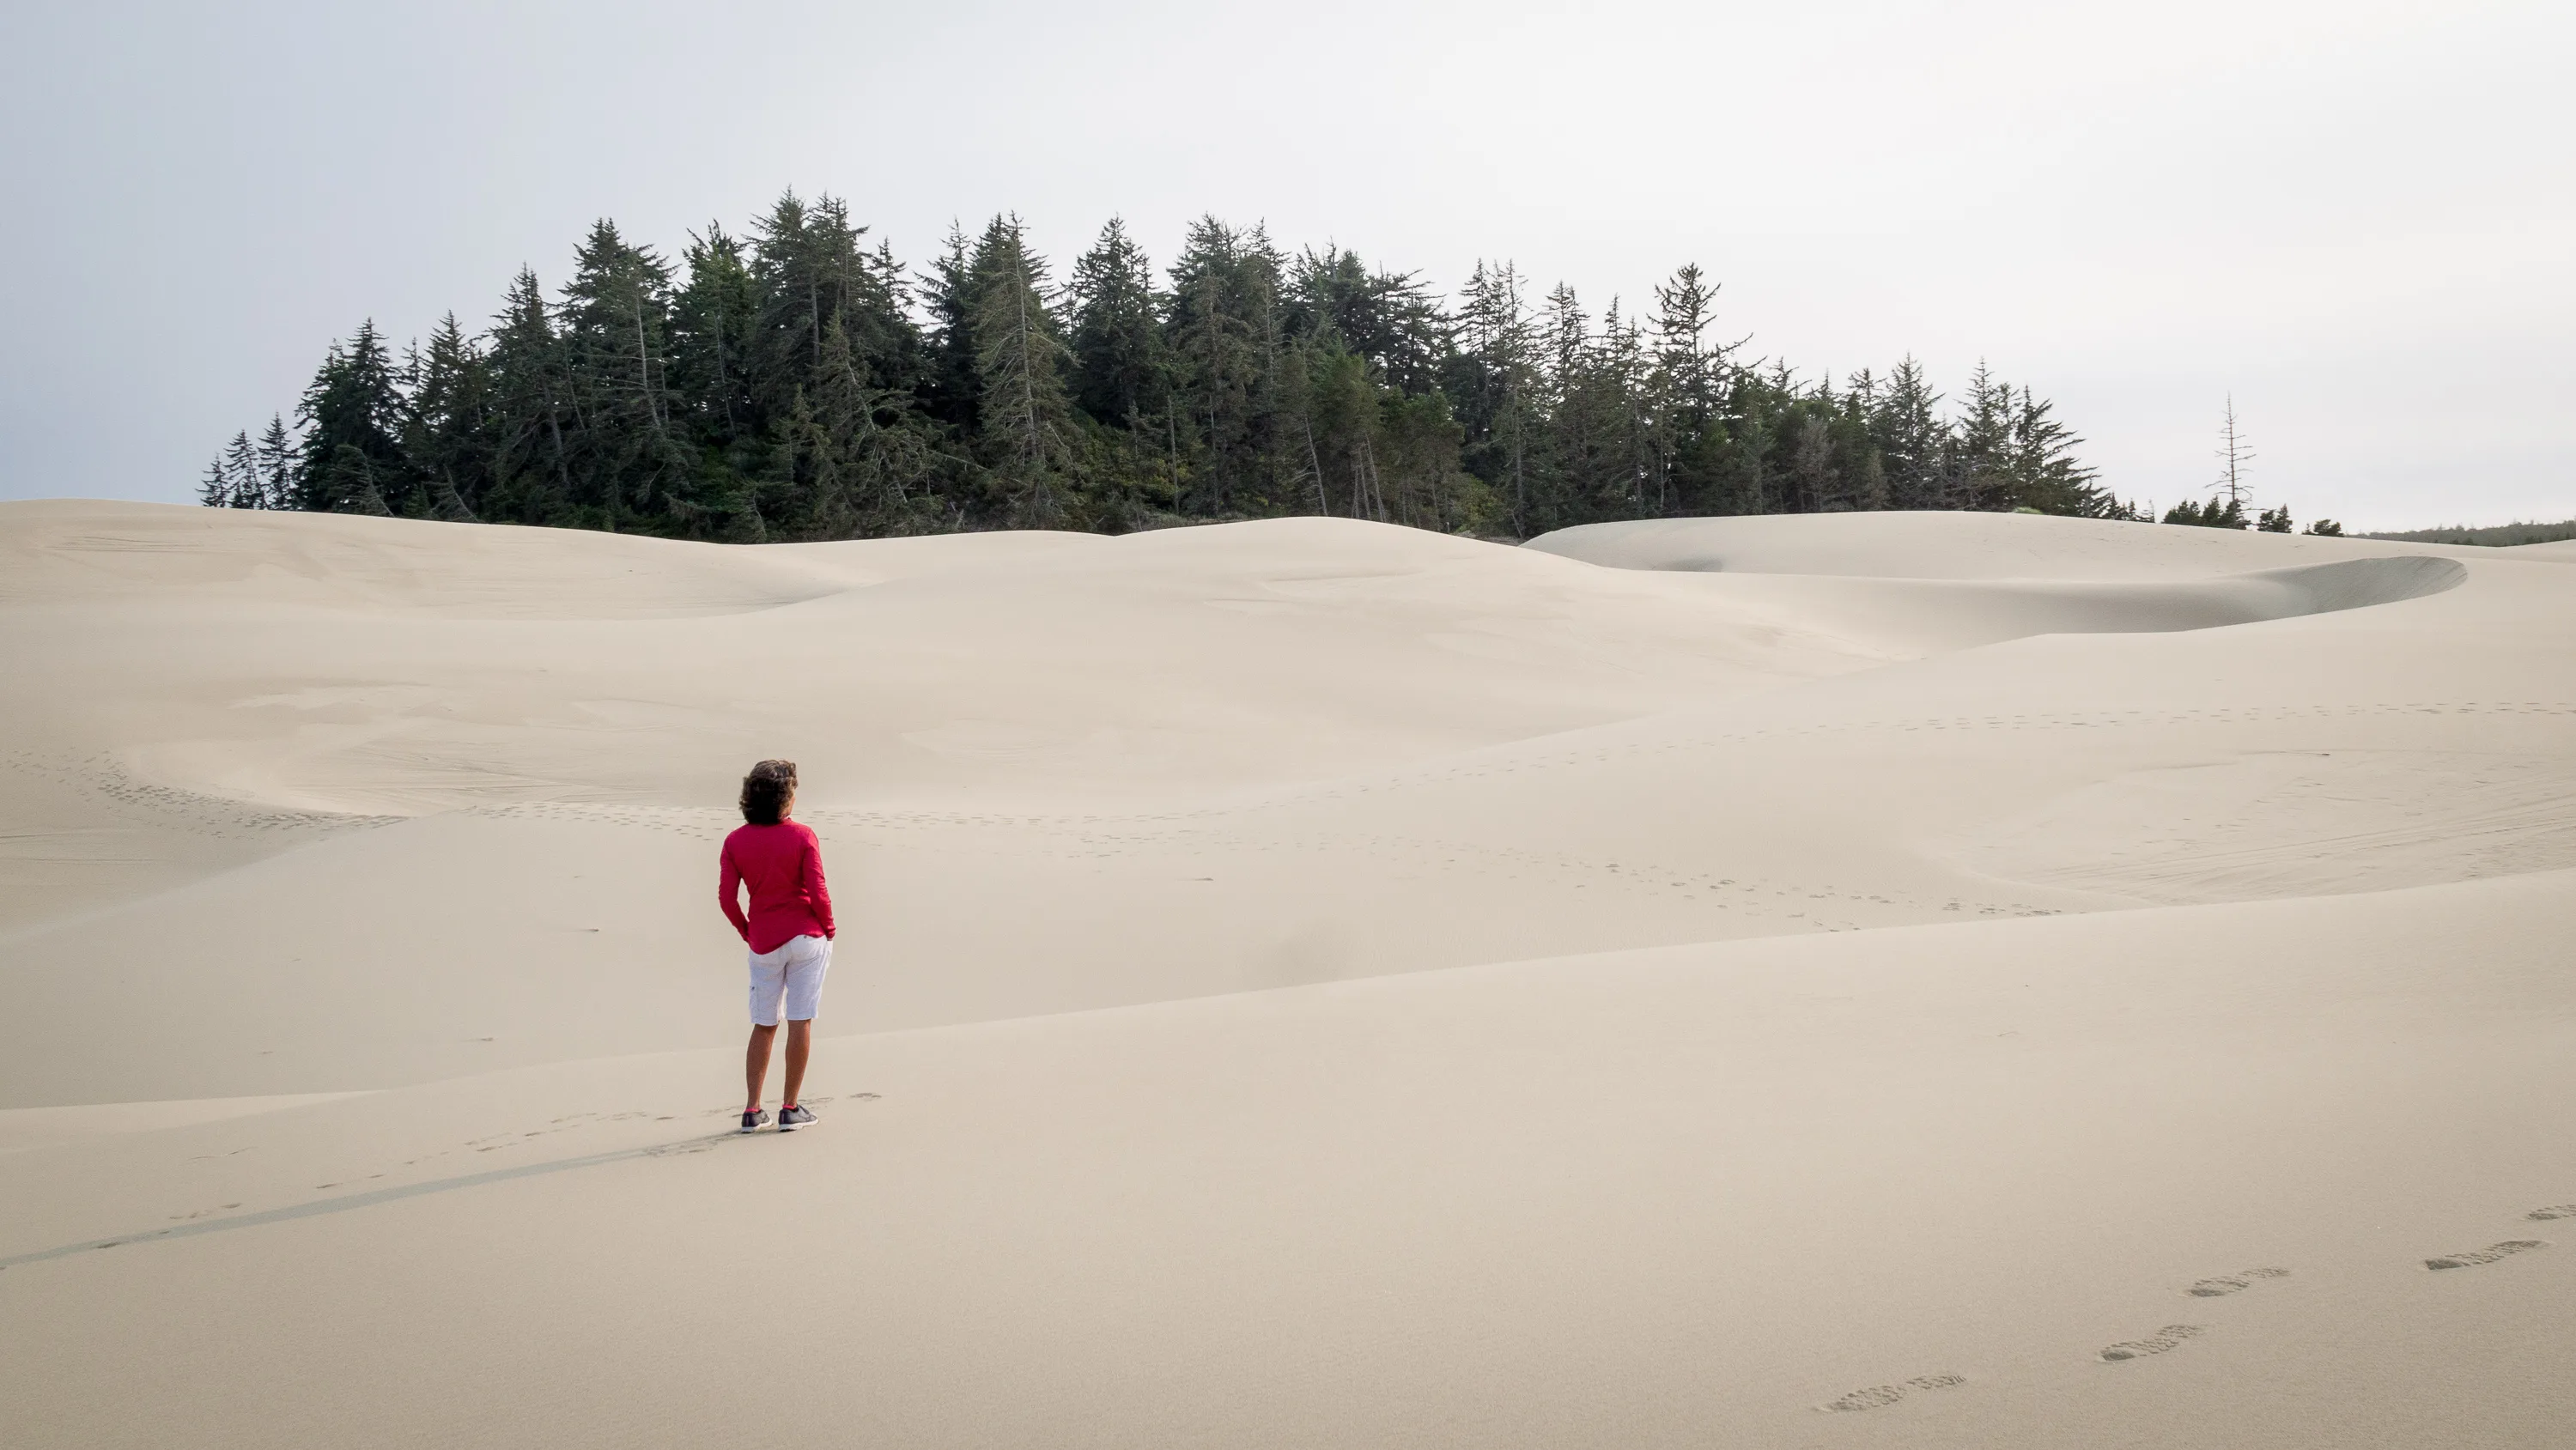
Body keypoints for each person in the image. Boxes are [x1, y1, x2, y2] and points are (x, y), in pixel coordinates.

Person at [719, 759, 835, 1132]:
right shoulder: (802, 835)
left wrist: (747, 931)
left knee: (765, 1023)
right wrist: (829, 927)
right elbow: (818, 890)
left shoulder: (735, 841)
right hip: (806, 938)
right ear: (786, 798)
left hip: (764, 942)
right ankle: (790, 1107)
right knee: (800, 1020)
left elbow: (726, 899)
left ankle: (752, 1110)